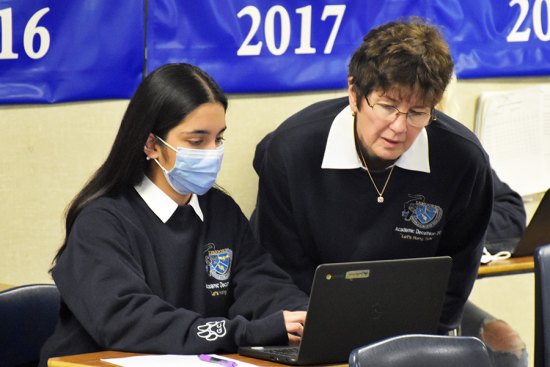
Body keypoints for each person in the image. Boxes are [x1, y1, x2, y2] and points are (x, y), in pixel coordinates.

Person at [38, 63, 308, 367]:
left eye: (218, 138)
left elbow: (261, 284)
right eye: (197, 141)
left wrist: (307, 317)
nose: (212, 151)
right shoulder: (102, 222)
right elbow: (131, 320)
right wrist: (249, 332)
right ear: (152, 144)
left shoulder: (219, 210)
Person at [250, 17, 494, 338]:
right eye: (387, 106)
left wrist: (418, 345)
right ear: (354, 93)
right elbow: (278, 267)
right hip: (313, 322)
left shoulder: (464, 161)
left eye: (418, 112)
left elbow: (456, 274)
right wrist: (321, 333)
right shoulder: (292, 150)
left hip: (411, 330)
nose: (399, 127)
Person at [461, 170, 528, 367]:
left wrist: (453, 230)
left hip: (443, 295)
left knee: (507, 347)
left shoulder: (453, 147)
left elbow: (511, 216)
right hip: (376, 294)